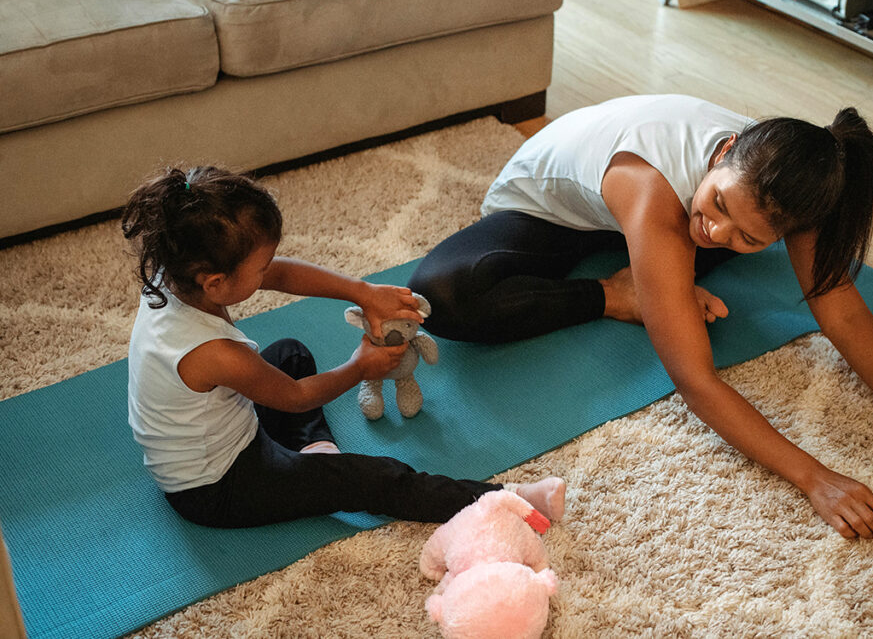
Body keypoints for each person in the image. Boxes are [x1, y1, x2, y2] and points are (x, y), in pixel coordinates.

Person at [408, 94, 873, 540]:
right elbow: (696, 381)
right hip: (552, 215)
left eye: (749, 238)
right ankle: (622, 295)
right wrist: (814, 478)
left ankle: (656, 281)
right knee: (443, 294)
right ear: (724, 153)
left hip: (652, 229)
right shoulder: (657, 191)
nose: (716, 231)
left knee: (715, 238)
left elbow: (839, 308)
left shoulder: (784, 184)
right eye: (719, 203)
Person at [121, 166, 565, 529]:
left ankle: (313, 451)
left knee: (291, 354)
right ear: (216, 282)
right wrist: (361, 365)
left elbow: (284, 275)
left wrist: (363, 293)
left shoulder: (174, 273)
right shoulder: (213, 353)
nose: (267, 275)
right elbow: (294, 399)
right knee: (370, 477)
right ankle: (508, 502)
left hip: (219, 431)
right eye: (258, 270)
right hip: (218, 486)